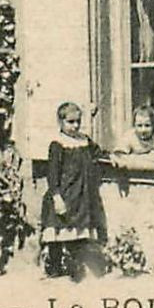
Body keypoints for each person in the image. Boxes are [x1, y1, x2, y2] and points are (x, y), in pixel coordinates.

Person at [40, 101, 106, 281]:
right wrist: (56, 197)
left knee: (78, 234)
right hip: (65, 194)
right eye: (70, 122)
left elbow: (98, 152)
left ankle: (76, 268)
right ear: (60, 122)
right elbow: (52, 173)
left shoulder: (84, 140)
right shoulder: (58, 144)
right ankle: (53, 266)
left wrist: (113, 156)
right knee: (58, 231)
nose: (75, 126)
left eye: (77, 121)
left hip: (81, 195)